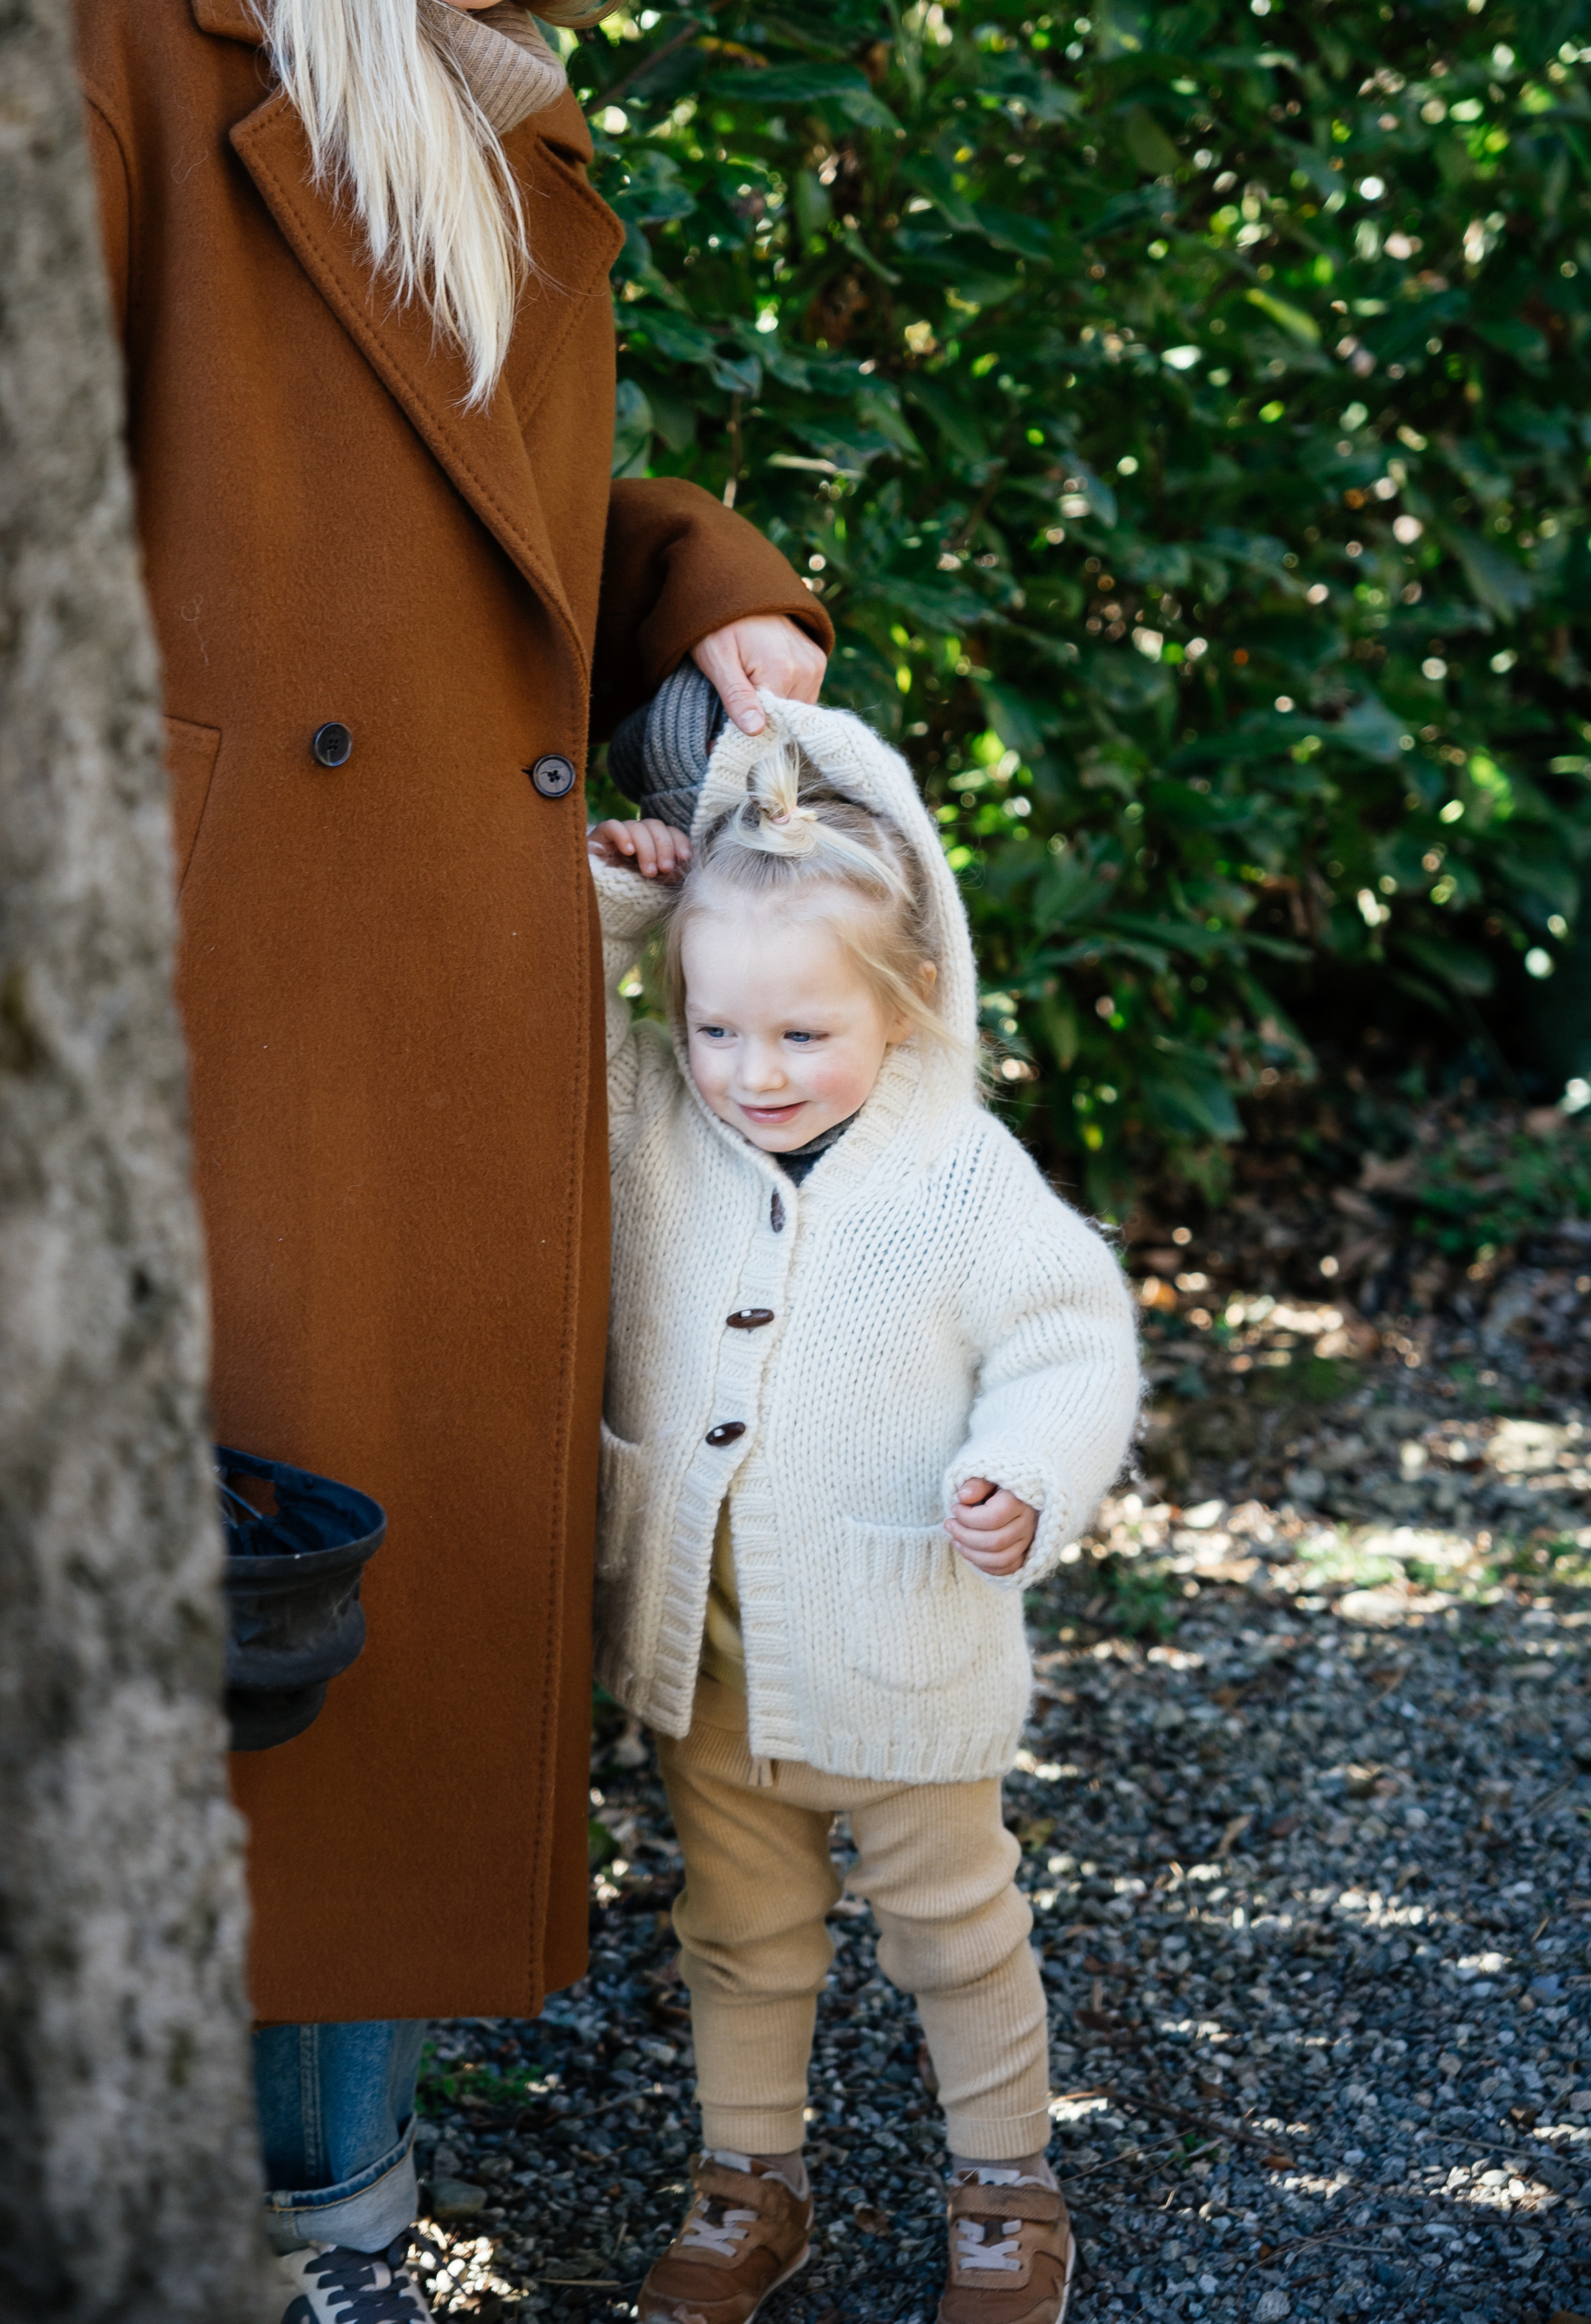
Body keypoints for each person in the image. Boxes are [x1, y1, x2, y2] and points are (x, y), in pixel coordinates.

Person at [65, 0, 828, 2312]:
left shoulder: (490, 129)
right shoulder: (135, 44)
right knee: (228, 1600)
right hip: (195, 1014)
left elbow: (464, 537)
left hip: (403, 1009)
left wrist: (701, 594)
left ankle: (331, 2215)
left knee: (328, 1615)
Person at [587, 693, 1141, 2324]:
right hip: (712, 1655)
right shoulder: (643, 1115)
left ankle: (1003, 2186)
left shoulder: (953, 1172)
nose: (751, 1073)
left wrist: (1024, 1479)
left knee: (954, 1933)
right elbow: (519, 1023)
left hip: (899, 1643)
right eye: (715, 1029)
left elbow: (1069, 1336)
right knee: (738, 1933)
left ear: (902, 1006)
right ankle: (748, 2176)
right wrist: (626, 902)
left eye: (801, 1035)